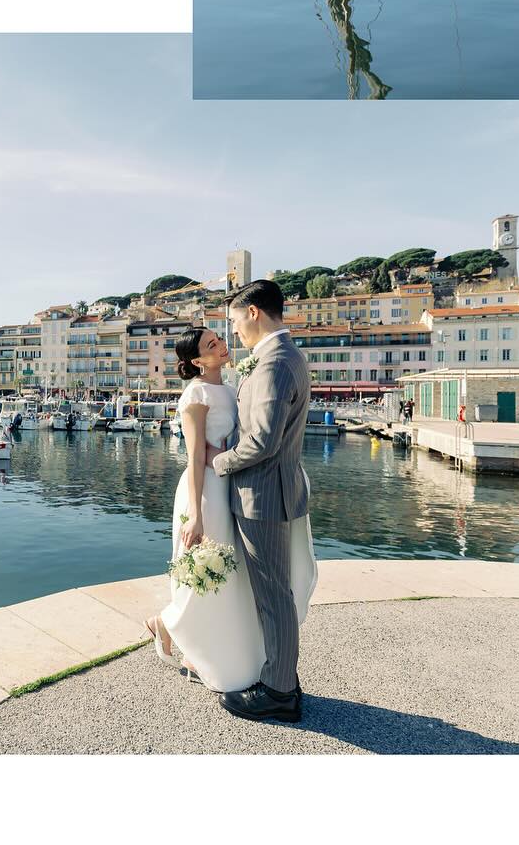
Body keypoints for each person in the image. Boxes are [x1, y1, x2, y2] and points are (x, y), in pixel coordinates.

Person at [203, 281, 318, 722]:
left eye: (233, 321)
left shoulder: (273, 364)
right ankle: (280, 676)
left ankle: (280, 692)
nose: (233, 333)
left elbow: (263, 442)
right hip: (273, 491)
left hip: (262, 495)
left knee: (273, 595)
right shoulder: (285, 357)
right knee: (274, 593)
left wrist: (220, 462)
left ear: (253, 312)